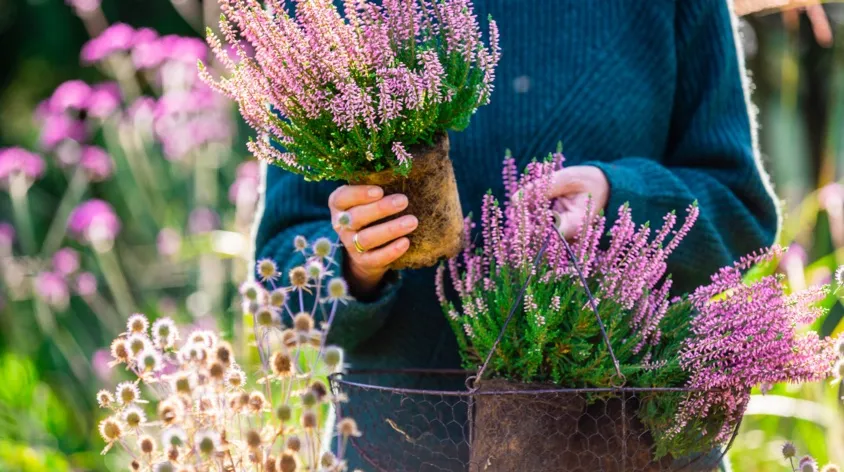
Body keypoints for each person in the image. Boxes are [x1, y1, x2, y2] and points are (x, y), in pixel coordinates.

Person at [254, 0, 780, 468]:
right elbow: (283, 269)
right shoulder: (326, 15)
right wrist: (356, 264)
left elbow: (739, 213)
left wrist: (621, 203)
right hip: (399, 446)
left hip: (627, 448)